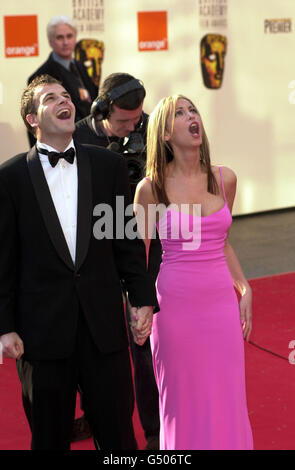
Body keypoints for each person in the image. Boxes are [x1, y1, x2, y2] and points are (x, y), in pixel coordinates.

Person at [0, 74, 157, 450]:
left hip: (103, 330)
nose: (62, 101)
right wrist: (5, 326)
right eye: (50, 98)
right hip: (42, 337)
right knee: (49, 438)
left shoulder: (108, 167)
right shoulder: (10, 178)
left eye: (66, 95)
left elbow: (126, 241)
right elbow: (3, 261)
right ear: (32, 119)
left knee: (119, 436)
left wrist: (141, 298)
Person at [133, 94, 254, 450]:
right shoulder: (150, 188)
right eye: (179, 113)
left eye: (193, 110)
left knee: (227, 396)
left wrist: (244, 288)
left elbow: (224, 243)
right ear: (165, 134)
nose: (191, 117)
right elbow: (136, 258)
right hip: (175, 308)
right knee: (181, 402)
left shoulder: (224, 179)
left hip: (220, 304)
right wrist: (136, 306)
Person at [74, 72, 161, 450]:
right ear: (101, 109)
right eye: (123, 121)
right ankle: (98, 418)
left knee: (143, 345)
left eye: (136, 119)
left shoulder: (149, 131)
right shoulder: (75, 137)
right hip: (91, 256)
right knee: (96, 348)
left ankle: (155, 434)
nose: (131, 127)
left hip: (139, 244)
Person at [27, 15, 97, 147]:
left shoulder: (81, 67)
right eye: (60, 37)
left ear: (75, 38)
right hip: (61, 146)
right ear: (50, 41)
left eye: (69, 36)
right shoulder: (39, 76)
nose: (65, 42)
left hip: (90, 143)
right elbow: (35, 127)